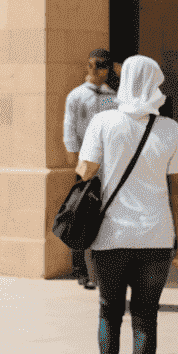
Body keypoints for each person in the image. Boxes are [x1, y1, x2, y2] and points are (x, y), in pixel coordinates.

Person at [74, 56, 178, 354]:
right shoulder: (171, 129)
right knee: (146, 317)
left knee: (109, 311)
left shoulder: (103, 122)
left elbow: (85, 171)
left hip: (111, 235)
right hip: (156, 237)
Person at [63, 50, 117, 288]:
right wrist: (75, 162)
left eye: (102, 66)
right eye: (93, 65)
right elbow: (70, 129)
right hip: (85, 162)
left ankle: (99, 269)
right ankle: (79, 268)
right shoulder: (76, 96)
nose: (96, 70)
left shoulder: (111, 97)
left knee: (102, 214)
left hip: (106, 163)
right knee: (81, 212)